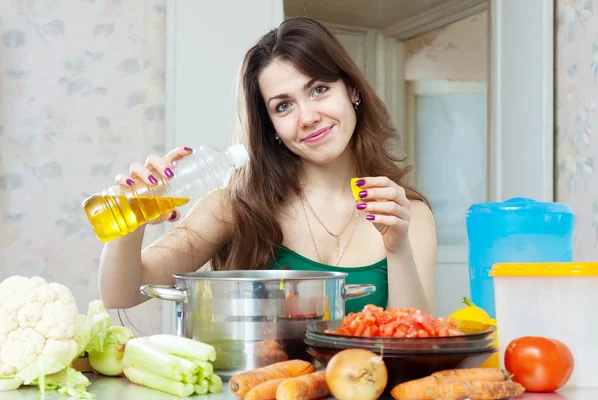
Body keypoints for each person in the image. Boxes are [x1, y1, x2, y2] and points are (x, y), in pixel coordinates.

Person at [98, 16, 438, 315]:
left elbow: (416, 342)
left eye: (319, 89)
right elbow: (121, 293)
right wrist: (132, 214)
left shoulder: (408, 214)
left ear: (352, 91)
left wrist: (398, 247)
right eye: (284, 106)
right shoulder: (237, 204)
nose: (308, 117)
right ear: (270, 125)